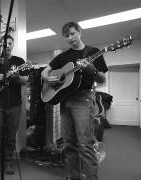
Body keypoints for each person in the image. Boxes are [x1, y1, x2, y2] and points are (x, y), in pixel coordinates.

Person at [41, 22, 108, 180]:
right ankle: (72, 176)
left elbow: (103, 79)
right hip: (65, 101)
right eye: (67, 36)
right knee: (69, 143)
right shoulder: (63, 57)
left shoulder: (93, 52)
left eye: (72, 34)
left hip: (82, 100)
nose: (70, 38)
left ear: (79, 31)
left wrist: (93, 71)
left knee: (85, 144)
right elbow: (45, 72)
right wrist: (49, 80)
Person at [0, 35, 28, 175]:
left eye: (10, 43)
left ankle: (9, 160)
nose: (7, 46)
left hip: (14, 104)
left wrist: (16, 77)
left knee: (11, 134)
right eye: (5, 44)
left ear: (12, 45)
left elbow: (25, 81)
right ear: (1, 45)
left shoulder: (20, 62)